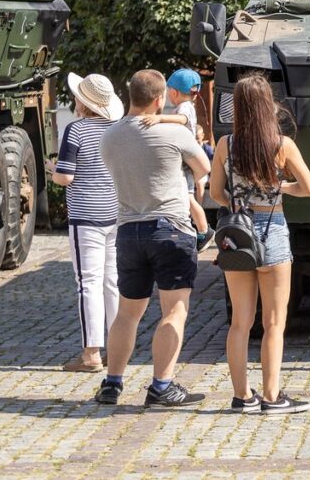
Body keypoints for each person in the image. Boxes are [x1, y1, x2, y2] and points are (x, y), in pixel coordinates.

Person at [95, 70, 211, 407]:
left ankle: (112, 383)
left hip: (129, 231)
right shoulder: (171, 132)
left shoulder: (110, 136)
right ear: (160, 99)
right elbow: (203, 168)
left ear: (129, 95)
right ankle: (161, 385)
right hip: (170, 229)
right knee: (174, 311)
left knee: (127, 313)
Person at [210, 73, 310, 414]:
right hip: (272, 231)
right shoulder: (282, 145)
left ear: (237, 107)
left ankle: (242, 396)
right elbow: (309, 188)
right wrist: (278, 189)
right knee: (273, 322)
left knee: (240, 322)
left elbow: (214, 193)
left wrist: (239, 200)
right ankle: (272, 397)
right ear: (267, 104)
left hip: (238, 234)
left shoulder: (226, 144)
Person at [48, 73, 124, 372]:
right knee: (112, 281)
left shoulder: (76, 130)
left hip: (85, 214)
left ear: (84, 102)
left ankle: (91, 354)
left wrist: (54, 172)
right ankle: (118, 348)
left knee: (87, 284)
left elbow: (66, 177)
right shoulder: (116, 129)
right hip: (114, 211)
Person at [139, 69, 214, 253]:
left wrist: (159, 118)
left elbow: (181, 119)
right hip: (185, 160)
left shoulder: (184, 107)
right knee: (184, 197)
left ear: (173, 92)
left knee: (188, 197)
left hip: (185, 161)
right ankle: (196, 229)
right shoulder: (188, 105)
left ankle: (204, 231)